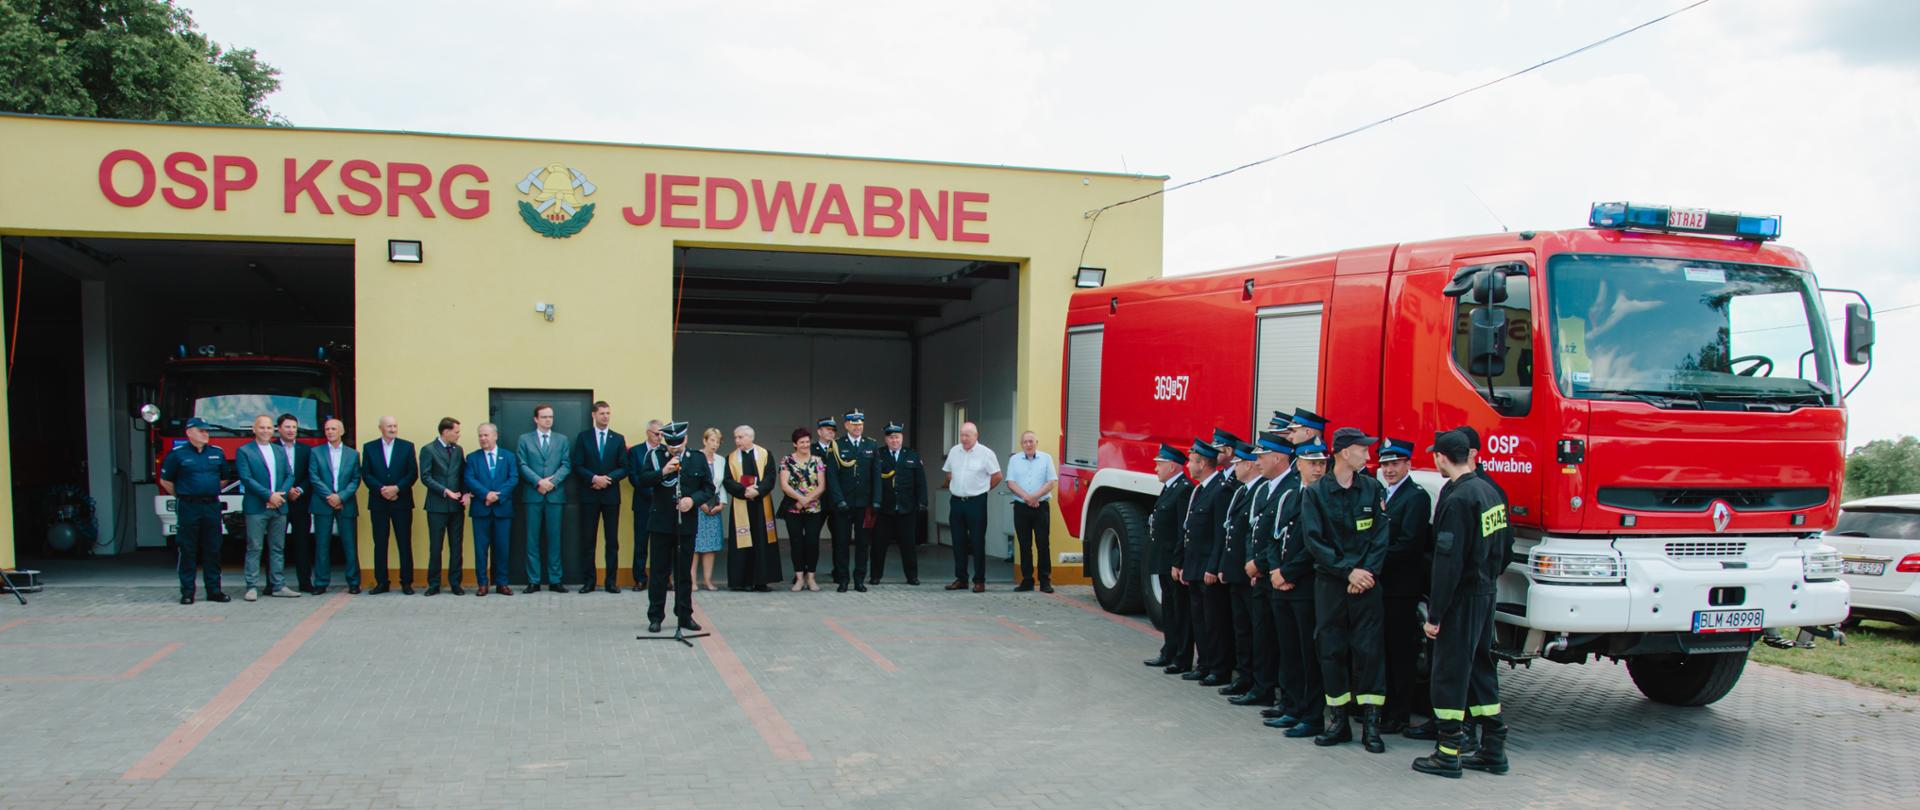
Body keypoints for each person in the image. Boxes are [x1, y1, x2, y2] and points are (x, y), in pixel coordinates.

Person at [1412, 428, 1513, 779]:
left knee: (1449, 673)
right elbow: (1504, 548)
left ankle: (1448, 751)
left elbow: (1448, 563)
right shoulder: (1489, 492)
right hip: (1485, 593)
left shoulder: (1457, 499)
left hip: (1461, 598)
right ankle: (1493, 748)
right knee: (1482, 669)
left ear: (1442, 457)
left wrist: (1436, 613)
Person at [1301, 426, 1392, 753]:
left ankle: (1371, 726)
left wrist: (1365, 573)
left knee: (1370, 653)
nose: (1368, 454)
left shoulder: (1371, 488)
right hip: (1332, 586)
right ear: (1343, 452)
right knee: (1332, 651)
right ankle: (1338, 722)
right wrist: (1347, 572)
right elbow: (1315, 542)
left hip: (1366, 584)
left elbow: (1381, 536)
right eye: (1362, 449)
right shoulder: (1315, 493)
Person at [1265, 440, 1328, 738]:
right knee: (1288, 650)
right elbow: (1274, 537)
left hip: (1306, 586)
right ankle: (1290, 706)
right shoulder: (1290, 496)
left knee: (1308, 656)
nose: (1318, 469)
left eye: (1322, 463)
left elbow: (1316, 545)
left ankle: (1311, 715)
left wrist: (1287, 572)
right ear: (1298, 464)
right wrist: (1275, 570)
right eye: (1312, 463)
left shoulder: (1325, 498)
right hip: (1282, 585)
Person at [1376, 437, 1435, 737]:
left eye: (1395, 464)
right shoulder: (1382, 493)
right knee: (1383, 649)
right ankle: (1384, 708)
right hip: (1382, 585)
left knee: (1400, 652)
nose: (1389, 470)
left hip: (1400, 587)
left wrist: (1372, 559)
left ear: (1408, 464)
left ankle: (1398, 714)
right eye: (1385, 464)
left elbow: (1409, 544)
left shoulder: (1415, 497)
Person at [638, 422, 711, 633]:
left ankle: (684, 615)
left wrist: (693, 500)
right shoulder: (655, 456)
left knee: (683, 573)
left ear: (685, 439)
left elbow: (708, 488)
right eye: (670, 444)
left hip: (685, 524)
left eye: (678, 443)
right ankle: (655, 616)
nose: (674, 448)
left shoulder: (697, 458)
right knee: (659, 573)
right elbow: (642, 480)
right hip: (661, 523)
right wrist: (663, 471)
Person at [1175, 436, 1230, 684]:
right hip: (1194, 564)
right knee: (1199, 618)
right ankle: (1204, 663)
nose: (1188, 465)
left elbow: (1220, 533)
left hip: (1207, 566)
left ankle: (1218, 668)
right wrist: (1184, 564)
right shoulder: (1199, 489)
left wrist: (1213, 567)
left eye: (1192, 461)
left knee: (1214, 621)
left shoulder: (1220, 490)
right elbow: (1190, 529)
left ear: (1203, 463)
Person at [159, 417, 230, 604]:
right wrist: (185, 495)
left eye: (206, 430)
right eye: (201, 430)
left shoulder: (216, 452)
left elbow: (224, 479)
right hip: (188, 506)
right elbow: (166, 481)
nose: (205, 434)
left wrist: (206, 490)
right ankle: (188, 592)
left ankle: (214, 591)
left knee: (213, 549)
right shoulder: (177, 455)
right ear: (189, 432)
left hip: (211, 506)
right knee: (188, 549)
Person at [1203, 431, 1249, 693]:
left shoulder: (1233, 486)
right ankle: (1239, 675)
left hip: (1244, 570)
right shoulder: (1232, 484)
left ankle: (1241, 675)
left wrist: (1217, 565)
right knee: (1236, 625)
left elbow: (1225, 533)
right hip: (1231, 567)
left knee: (1240, 627)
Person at [235, 414, 300, 601]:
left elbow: (290, 475)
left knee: (278, 548)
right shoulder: (244, 451)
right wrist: (268, 495)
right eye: (262, 427)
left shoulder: (279, 450)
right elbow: (246, 478)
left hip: (279, 506)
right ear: (254, 429)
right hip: (257, 507)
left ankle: (278, 585)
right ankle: (252, 586)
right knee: (254, 547)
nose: (266, 431)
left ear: (274, 430)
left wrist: (279, 495)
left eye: (269, 428)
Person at [1141, 443, 1192, 672]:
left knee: (1179, 611)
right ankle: (1168, 651)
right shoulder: (1170, 488)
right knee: (1169, 610)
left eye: (1159, 464)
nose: (1156, 469)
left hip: (1172, 560)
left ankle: (1181, 657)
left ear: (1172, 466)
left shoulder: (1183, 489)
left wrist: (1177, 562)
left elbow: (1182, 530)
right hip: (1163, 558)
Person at [573, 401, 628, 593]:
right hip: (590, 495)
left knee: (612, 541)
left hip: (611, 496)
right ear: (594, 415)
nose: (605, 416)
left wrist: (607, 479)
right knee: (588, 540)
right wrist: (594, 478)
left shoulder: (618, 439)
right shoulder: (584, 438)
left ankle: (611, 581)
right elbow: (577, 465)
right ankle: (589, 581)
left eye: (608, 413)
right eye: (602, 413)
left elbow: (624, 467)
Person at [942, 421, 1002, 593]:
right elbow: (948, 472)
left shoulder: (986, 453)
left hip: (976, 502)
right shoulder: (954, 451)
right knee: (958, 541)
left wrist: (983, 489)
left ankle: (979, 580)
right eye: (961, 435)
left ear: (976, 436)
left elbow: (997, 476)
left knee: (977, 541)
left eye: (967, 435)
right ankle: (961, 579)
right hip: (956, 501)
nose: (964, 438)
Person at [518, 404, 571, 592]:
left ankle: (555, 579)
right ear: (536, 419)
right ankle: (534, 580)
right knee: (532, 540)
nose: (548, 420)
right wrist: (538, 481)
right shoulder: (524, 439)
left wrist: (552, 482)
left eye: (550, 417)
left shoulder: (562, 440)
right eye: (544, 417)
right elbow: (522, 464)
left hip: (555, 496)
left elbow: (566, 464)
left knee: (554, 539)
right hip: (533, 495)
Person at [723, 425, 783, 592]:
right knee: (742, 542)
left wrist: (757, 491)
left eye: (740, 437)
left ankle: (761, 581)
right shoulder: (731, 458)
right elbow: (728, 480)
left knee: (762, 540)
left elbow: (770, 477)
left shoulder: (765, 454)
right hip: (741, 504)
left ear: (751, 437)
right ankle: (742, 581)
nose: (737, 441)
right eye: (735, 437)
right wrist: (744, 491)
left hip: (761, 504)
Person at [363, 416, 417, 595]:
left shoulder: (407, 446)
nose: (393, 429)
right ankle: (382, 582)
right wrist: (382, 490)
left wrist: (396, 488)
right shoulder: (369, 447)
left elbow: (412, 473)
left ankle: (406, 582)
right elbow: (366, 474)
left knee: (404, 542)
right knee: (380, 543)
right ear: (380, 428)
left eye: (395, 426)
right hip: (378, 503)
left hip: (401, 502)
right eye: (389, 426)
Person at [827, 409, 879, 592]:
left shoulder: (871, 445)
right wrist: (838, 500)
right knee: (842, 543)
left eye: (860, 424)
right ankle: (843, 579)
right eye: (854, 424)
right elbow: (832, 476)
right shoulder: (836, 445)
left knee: (863, 544)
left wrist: (876, 500)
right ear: (846, 425)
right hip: (843, 504)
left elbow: (876, 476)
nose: (858, 427)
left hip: (864, 504)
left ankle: (859, 580)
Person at [464, 423, 518, 596]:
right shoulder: (472, 458)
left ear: (495, 436)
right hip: (481, 510)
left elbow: (513, 478)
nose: (483, 438)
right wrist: (486, 494)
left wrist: (498, 496)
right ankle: (482, 583)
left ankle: (502, 583)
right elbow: (469, 479)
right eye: (480, 435)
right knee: (481, 549)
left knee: (502, 548)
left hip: (502, 510)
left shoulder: (508, 456)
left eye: (486, 435)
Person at [308, 418, 361, 595]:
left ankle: (353, 582)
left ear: (342, 431)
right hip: (322, 504)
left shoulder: (353, 454)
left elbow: (356, 479)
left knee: (349, 545)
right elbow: (313, 477)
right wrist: (330, 496)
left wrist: (341, 497)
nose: (330, 432)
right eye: (327, 429)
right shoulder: (316, 452)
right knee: (322, 545)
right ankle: (321, 582)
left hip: (346, 504)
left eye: (333, 429)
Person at [871, 422, 927, 586]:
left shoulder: (912, 455)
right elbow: (873, 480)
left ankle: (912, 576)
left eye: (897, 437)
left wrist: (922, 502)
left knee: (908, 545)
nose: (894, 440)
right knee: (878, 545)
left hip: (906, 508)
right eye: (891, 437)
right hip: (884, 508)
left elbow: (920, 481)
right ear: (886, 439)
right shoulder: (878, 454)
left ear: (902, 438)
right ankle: (875, 576)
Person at [419, 417, 468, 596]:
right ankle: (434, 584)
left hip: (456, 507)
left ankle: (456, 583)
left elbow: (463, 474)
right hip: (436, 506)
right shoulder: (428, 450)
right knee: (436, 547)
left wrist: (466, 493)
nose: (458, 435)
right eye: (456, 432)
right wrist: (445, 491)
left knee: (456, 546)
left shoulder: (458, 450)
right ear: (445, 432)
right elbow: (425, 476)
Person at [1005, 430, 1058, 592]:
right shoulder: (1014, 460)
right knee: (1024, 545)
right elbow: (1011, 483)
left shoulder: (1046, 458)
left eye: (1031, 441)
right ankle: (1027, 580)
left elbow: (1051, 481)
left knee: (1043, 544)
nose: (1028, 444)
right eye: (1025, 442)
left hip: (1040, 507)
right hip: (1021, 507)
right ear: (1021, 444)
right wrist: (1027, 498)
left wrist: (1035, 497)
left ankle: (1045, 581)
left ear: (1036, 443)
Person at [780, 428, 828, 592]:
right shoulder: (787, 460)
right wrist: (800, 500)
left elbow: (821, 486)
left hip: (814, 509)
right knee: (797, 543)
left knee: (812, 543)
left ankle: (811, 578)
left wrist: (807, 500)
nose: (805, 445)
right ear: (795, 444)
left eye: (807, 442)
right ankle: (799, 578)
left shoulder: (817, 461)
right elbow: (784, 485)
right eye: (801, 442)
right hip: (793, 509)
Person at [274, 414, 315, 593]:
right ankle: (272, 583)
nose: (291, 430)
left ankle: (305, 582)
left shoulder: (306, 450)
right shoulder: (272, 448)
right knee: (276, 544)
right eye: (287, 427)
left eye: (294, 427)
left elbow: (310, 474)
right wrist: (285, 490)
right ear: (279, 429)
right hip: (278, 502)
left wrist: (299, 489)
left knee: (302, 544)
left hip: (300, 502)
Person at [625, 419, 666, 590]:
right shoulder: (636, 451)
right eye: (656, 434)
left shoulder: (666, 451)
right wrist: (649, 492)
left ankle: (663, 579)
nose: (659, 437)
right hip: (643, 503)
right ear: (648, 433)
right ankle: (640, 579)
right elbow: (633, 476)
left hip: (663, 505)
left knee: (663, 544)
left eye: (661, 434)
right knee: (641, 543)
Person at [693, 428, 727, 591]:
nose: (715, 444)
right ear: (704, 440)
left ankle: (708, 580)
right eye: (712, 440)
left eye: (717, 441)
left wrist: (722, 504)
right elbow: (691, 484)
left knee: (711, 546)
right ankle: (692, 581)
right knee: (694, 546)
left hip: (714, 505)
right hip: (697, 506)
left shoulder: (721, 460)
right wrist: (699, 502)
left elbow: (722, 484)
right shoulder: (695, 457)